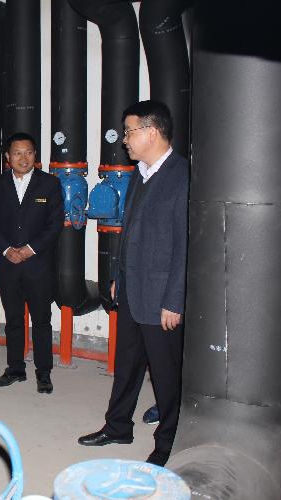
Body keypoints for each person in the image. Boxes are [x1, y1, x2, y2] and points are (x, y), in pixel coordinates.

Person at [77, 100, 188, 467]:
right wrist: (118, 277)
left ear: (151, 132)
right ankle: (118, 426)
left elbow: (185, 245)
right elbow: (130, 233)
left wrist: (174, 300)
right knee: (126, 365)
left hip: (161, 298)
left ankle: (167, 443)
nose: (124, 139)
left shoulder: (182, 176)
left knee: (166, 376)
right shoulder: (140, 173)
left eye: (129, 131)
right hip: (131, 289)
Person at [0, 132, 64, 394]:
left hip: (38, 266)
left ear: (35, 155)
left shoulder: (49, 184)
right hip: (8, 266)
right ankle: (15, 368)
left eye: (28, 152)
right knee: (13, 319)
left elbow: (55, 224)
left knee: (41, 321)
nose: (23, 158)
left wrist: (29, 249)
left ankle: (44, 372)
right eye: (17, 153)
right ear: (8, 157)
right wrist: (6, 250)